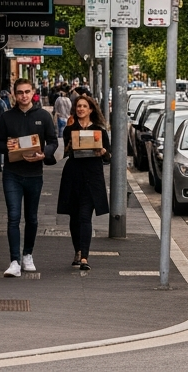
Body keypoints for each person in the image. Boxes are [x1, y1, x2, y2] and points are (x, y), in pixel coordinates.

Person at [0, 78, 58, 277]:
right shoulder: (6, 117)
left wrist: (44, 153)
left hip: (34, 174)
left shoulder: (43, 116)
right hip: (12, 173)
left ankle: (27, 254)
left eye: (27, 92)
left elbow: (53, 141)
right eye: (20, 92)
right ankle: (14, 260)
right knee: (13, 216)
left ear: (33, 93)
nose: (23, 95)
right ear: (14, 94)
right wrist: (10, 147)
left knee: (31, 217)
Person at [59, 94, 111, 271]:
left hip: (92, 176)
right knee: (74, 217)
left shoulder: (100, 131)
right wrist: (68, 147)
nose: (81, 109)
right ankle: (78, 251)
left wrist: (103, 151)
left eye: (84, 106)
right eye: (78, 106)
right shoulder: (69, 129)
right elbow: (66, 153)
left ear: (91, 109)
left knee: (84, 216)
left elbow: (109, 156)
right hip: (73, 176)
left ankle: (84, 257)